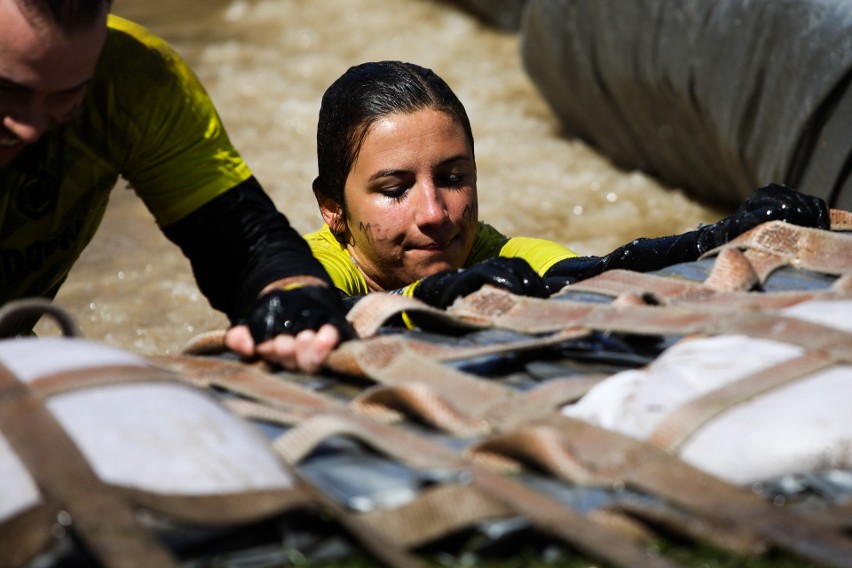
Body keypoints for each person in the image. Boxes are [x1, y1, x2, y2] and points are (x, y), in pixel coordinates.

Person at [0, 0, 353, 372]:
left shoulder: (133, 79)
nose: (31, 127)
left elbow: (244, 246)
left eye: (67, 97)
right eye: (8, 91)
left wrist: (297, 308)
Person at [305, 60, 830, 309]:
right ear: (333, 209)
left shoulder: (491, 252)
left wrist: (721, 237)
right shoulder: (312, 268)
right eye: (396, 188)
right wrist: (446, 294)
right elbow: (316, 314)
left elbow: (597, 273)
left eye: (453, 178)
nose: (436, 214)